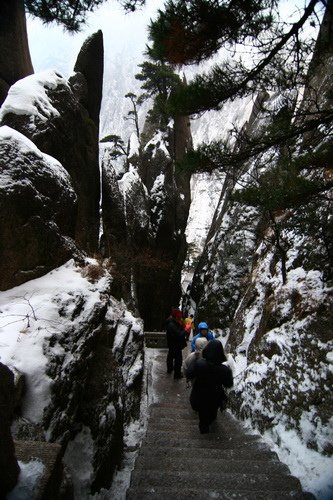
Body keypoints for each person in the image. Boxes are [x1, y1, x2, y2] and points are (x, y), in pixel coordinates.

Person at [187, 340, 233, 434]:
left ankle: (204, 430)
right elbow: (228, 384)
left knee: (202, 416)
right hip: (215, 397)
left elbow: (189, 374)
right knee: (212, 413)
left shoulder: (199, 364)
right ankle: (209, 425)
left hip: (199, 395)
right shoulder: (224, 370)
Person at [165, 308, 187, 379]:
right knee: (178, 360)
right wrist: (186, 330)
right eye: (179, 317)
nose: (180, 318)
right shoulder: (171, 324)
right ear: (176, 317)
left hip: (172, 344)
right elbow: (178, 335)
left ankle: (170, 369)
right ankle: (177, 375)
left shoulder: (172, 322)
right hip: (175, 344)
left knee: (170, 356)